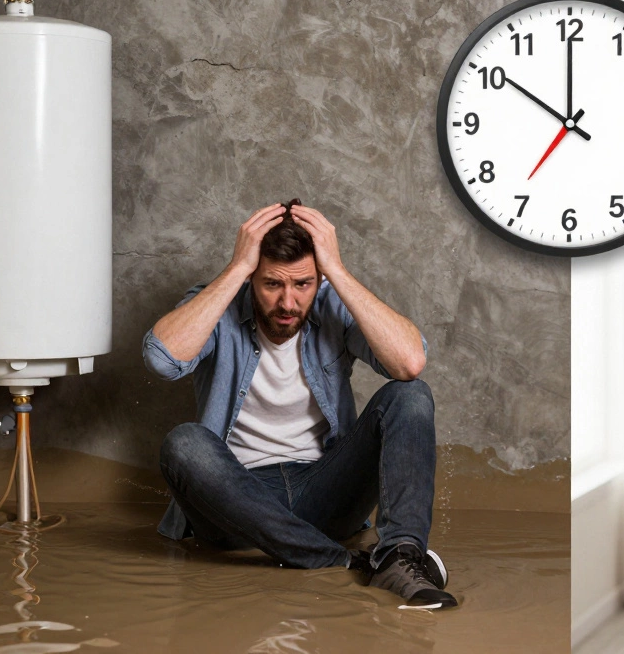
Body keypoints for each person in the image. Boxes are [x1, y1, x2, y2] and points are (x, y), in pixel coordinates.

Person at [142, 199, 457, 610]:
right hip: (238, 502)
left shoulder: (331, 301)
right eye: (272, 283)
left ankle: (399, 556)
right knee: (184, 444)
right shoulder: (219, 301)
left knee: (410, 395)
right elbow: (161, 360)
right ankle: (341, 559)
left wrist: (337, 272)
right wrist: (237, 267)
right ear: (252, 276)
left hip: (324, 491)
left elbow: (409, 362)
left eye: (303, 284)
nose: (288, 303)